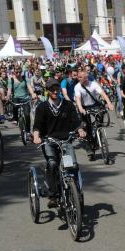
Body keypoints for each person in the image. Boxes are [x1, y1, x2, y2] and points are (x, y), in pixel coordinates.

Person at [32, 78, 86, 208]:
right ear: (48, 91)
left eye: (56, 88)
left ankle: (76, 192)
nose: (55, 91)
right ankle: (54, 196)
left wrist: (80, 129)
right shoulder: (42, 107)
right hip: (49, 141)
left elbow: (75, 121)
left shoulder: (68, 105)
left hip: (66, 139)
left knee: (72, 166)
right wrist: (36, 136)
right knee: (52, 163)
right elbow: (37, 125)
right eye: (52, 89)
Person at [74, 71, 114, 160]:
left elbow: (103, 94)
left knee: (99, 122)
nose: (78, 78)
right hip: (84, 107)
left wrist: (109, 103)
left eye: (80, 77)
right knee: (86, 127)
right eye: (78, 77)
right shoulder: (77, 87)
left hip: (94, 105)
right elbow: (78, 99)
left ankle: (98, 136)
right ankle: (89, 149)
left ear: (86, 78)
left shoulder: (93, 84)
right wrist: (80, 108)